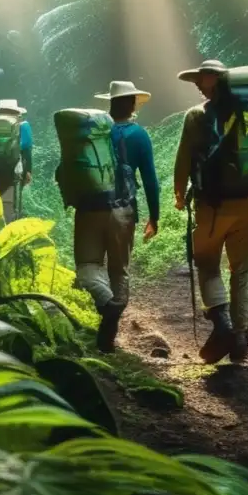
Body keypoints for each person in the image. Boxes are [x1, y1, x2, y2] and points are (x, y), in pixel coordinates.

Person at [174, 59, 248, 364]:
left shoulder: (196, 116)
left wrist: (178, 193)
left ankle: (223, 324)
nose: (197, 83)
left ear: (216, 79)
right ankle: (240, 338)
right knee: (242, 269)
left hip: (211, 205)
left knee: (208, 263)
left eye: (201, 78)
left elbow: (184, 158)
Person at [70, 80, 161, 353]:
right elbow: (150, 179)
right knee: (118, 271)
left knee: (88, 267)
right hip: (122, 211)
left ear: (109, 103)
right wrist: (154, 216)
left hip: (88, 211)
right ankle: (110, 323)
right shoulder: (138, 135)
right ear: (132, 104)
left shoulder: (93, 134)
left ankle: (105, 307)